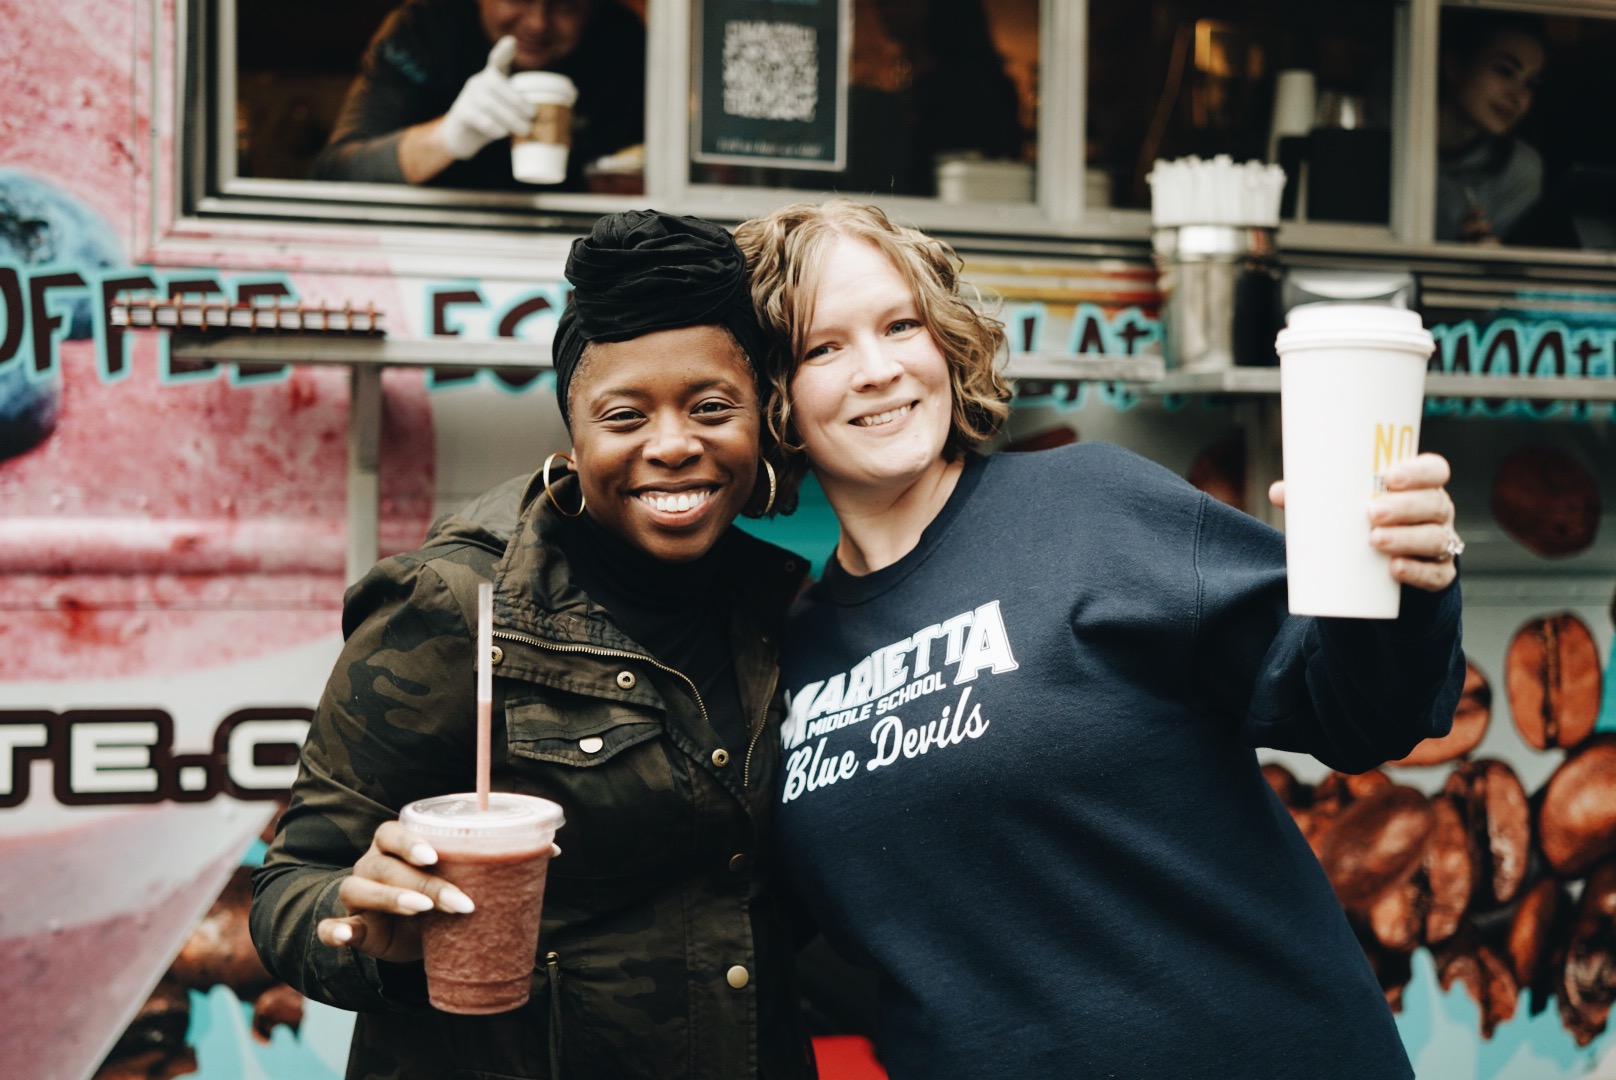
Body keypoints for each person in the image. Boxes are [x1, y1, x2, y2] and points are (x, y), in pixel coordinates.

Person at [734, 198, 1467, 1079]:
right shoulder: (788, 654)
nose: (879, 369)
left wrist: (1408, 581)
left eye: (901, 325)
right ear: (774, 392)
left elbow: (1359, 715)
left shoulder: (1090, 507)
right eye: (824, 347)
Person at [249, 210, 816, 1079]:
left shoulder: (778, 600)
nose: (672, 445)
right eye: (625, 415)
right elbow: (293, 886)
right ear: (575, 433)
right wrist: (367, 933)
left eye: (711, 407)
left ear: (760, 419)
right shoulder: (453, 606)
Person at [309, 0, 645, 192]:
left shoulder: (622, 45)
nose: (538, 22)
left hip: (577, 252)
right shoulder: (425, 30)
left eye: (567, 4)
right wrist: (448, 137)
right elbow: (337, 174)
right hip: (428, 243)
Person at [1435, 11, 1548, 243]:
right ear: (1454, 65)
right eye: (1505, 70)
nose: (1518, 96)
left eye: (1531, 84)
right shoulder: (1383, 135)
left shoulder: (1520, 169)